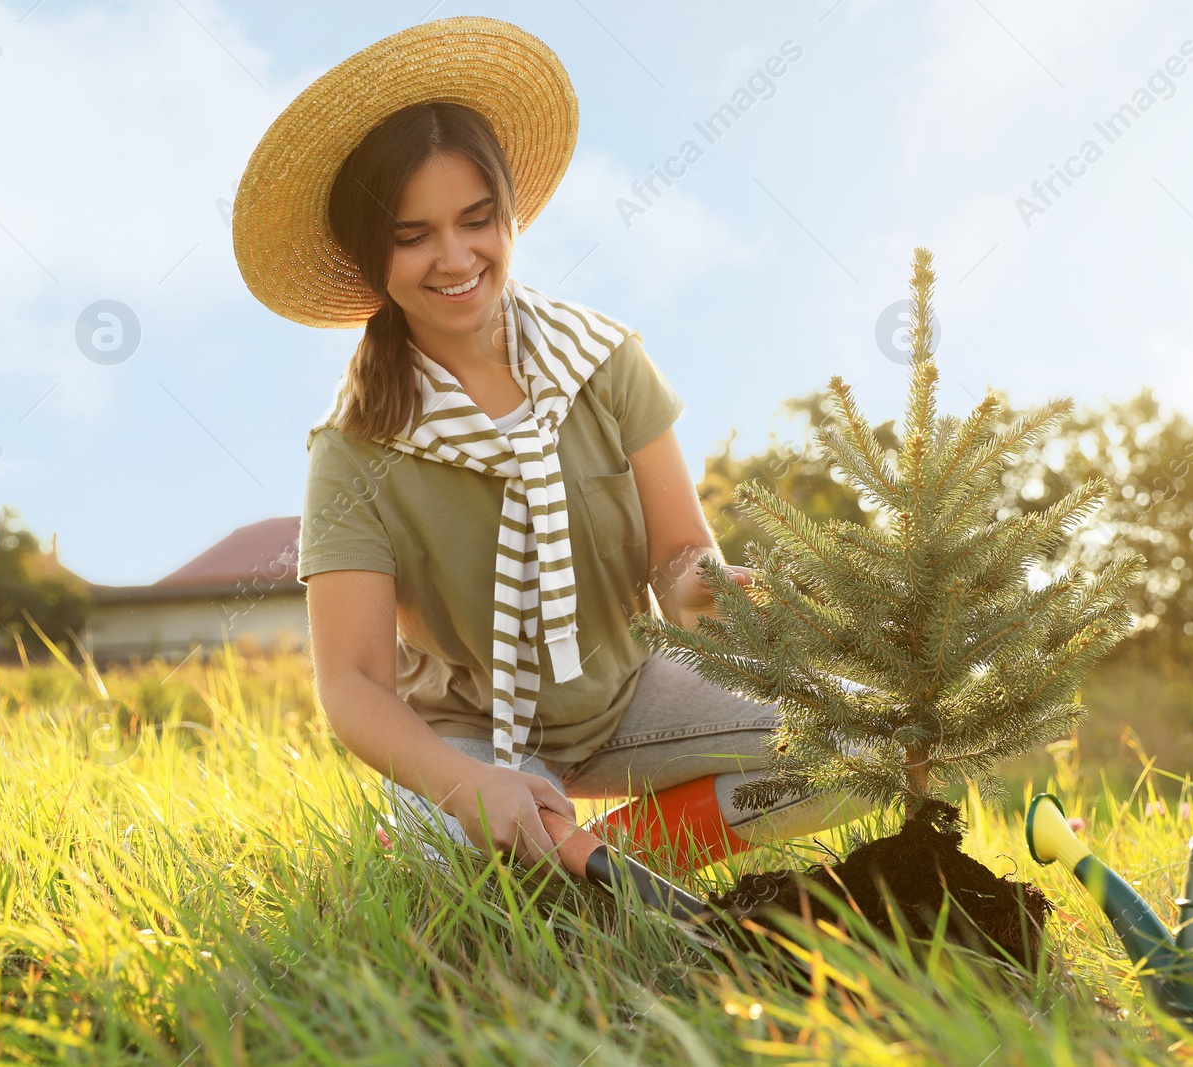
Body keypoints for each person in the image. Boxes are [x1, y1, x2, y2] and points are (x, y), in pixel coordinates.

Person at [231, 17, 872, 875]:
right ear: (367, 251)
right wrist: (465, 783)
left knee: (865, 750)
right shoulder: (351, 450)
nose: (454, 257)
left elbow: (679, 557)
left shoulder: (604, 361)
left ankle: (606, 861)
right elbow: (352, 685)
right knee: (472, 883)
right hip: (463, 733)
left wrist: (713, 592)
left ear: (508, 215)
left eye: (476, 219)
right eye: (413, 234)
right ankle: (497, 848)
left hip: (628, 690)